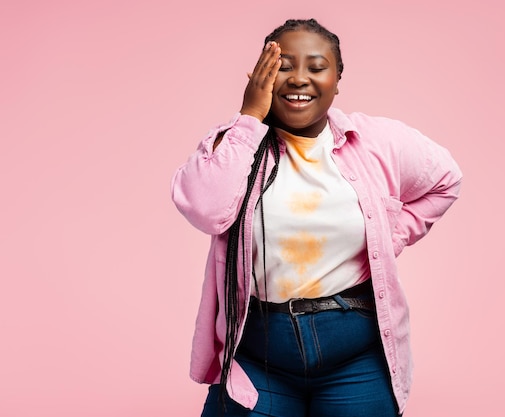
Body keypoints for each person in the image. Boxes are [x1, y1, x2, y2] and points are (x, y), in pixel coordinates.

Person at [172, 18, 462, 417]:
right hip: (259, 358)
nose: (299, 79)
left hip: (355, 359)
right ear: (261, 75)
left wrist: (388, 236)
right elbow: (205, 209)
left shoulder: (377, 141)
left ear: (338, 79)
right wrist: (249, 118)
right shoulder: (235, 145)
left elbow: (446, 180)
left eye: (316, 66)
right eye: (283, 66)